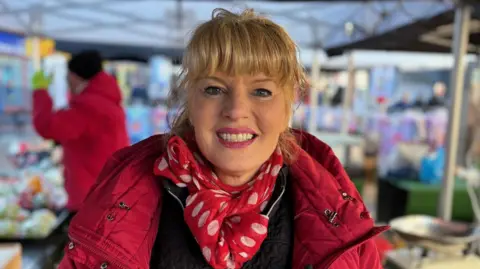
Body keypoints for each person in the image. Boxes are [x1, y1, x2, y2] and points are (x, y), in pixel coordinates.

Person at [58, 9, 387, 269]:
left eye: (261, 91)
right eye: (214, 89)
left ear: (288, 104)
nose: (237, 110)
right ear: (191, 101)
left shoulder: (334, 208)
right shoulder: (121, 198)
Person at [31, 50, 129, 212]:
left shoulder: (88, 107)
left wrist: (40, 92)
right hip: (108, 190)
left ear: (74, 77)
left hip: (91, 195)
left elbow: (48, 127)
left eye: (67, 78)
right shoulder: (107, 101)